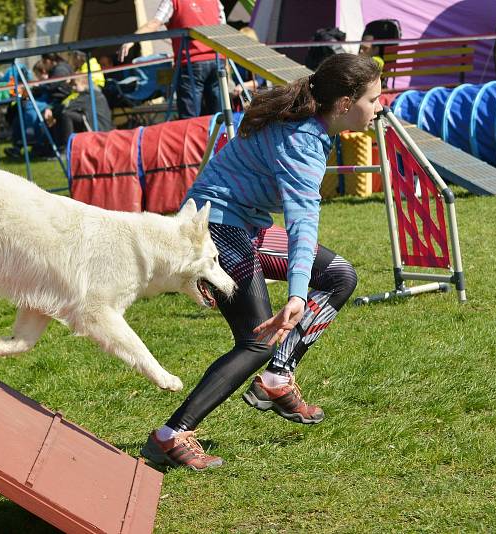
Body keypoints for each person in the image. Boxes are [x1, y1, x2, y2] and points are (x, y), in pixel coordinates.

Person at [139, 53, 383, 471]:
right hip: (212, 231)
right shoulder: (302, 143)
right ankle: (172, 434)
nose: (381, 106)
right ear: (345, 103)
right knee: (257, 340)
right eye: (375, 99)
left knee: (340, 275)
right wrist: (296, 295)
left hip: (242, 226)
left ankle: (276, 378)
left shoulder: (309, 122)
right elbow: (302, 225)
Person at [118, 0, 226, 119]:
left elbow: (155, 23)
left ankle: (195, 136)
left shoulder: (173, 1)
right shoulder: (215, 1)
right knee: (219, 116)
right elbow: (223, 30)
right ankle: (221, 136)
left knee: (190, 119)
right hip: (217, 60)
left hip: (192, 62)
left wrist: (131, 39)